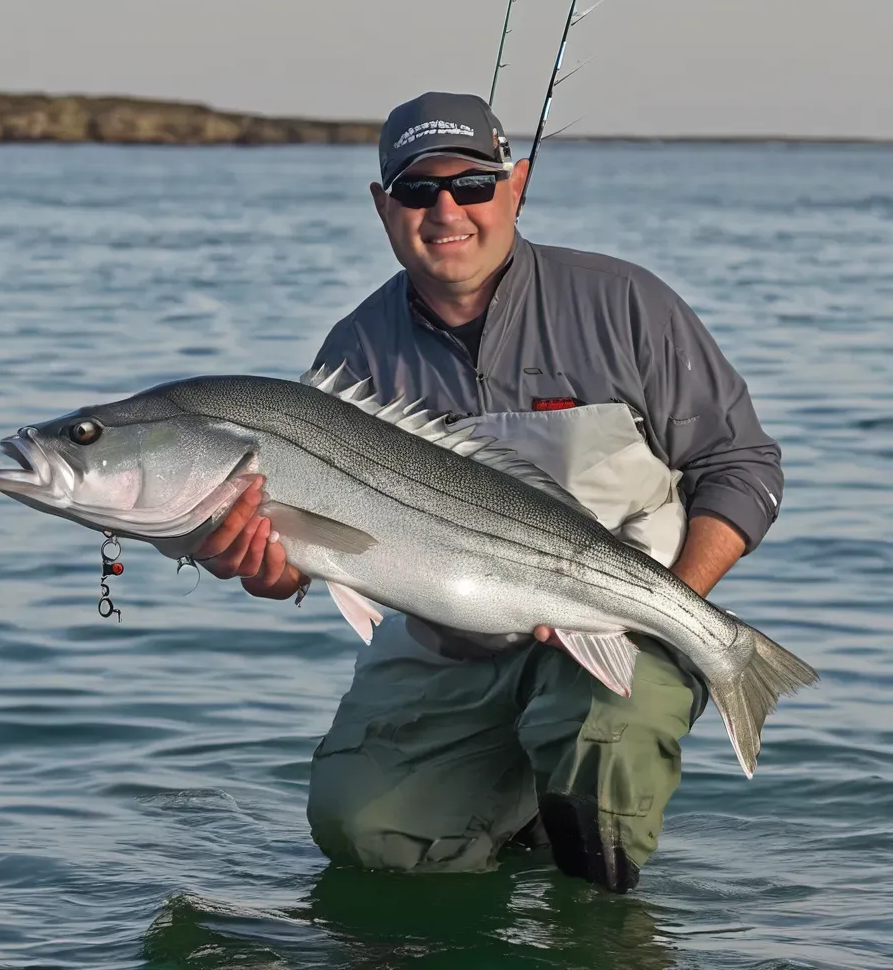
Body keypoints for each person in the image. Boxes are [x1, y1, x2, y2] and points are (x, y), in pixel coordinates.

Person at [194, 92, 784, 893]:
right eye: (416, 189)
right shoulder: (353, 354)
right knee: (363, 832)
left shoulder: (625, 305)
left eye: (472, 184)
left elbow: (742, 465)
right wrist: (270, 571)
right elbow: (313, 561)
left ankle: (594, 917)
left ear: (517, 186)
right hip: (445, 647)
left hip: (620, 623)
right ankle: (506, 806)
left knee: (603, 785)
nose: (447, 210)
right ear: (382, 206)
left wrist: (670, 608)